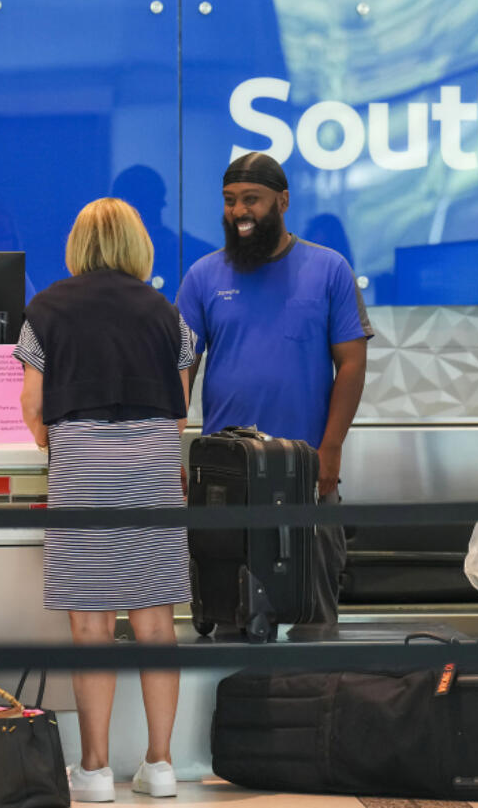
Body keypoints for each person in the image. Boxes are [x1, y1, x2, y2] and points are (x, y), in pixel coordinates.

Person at [16, 198, 194, 802]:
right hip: (149, 467)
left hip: (82, 467)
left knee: (91, 625)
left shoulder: (44, 309)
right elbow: (180, 409)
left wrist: (64, 448)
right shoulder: (168, 315)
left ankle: (94, 771)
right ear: (136, 245)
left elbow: (33, 406)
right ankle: (162, 764)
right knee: (156, 624)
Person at [175, 151, 373, 622]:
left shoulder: (329, 270)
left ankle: (319, 692)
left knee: (312, 614)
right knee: (227, 614)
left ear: (282, 201)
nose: (239, 212)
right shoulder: (203, 276)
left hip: (305, 471)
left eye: (252, 200)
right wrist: (170, 447)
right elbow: (180, 367)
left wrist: (331, 449)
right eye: (229, 201)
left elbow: (351, 363)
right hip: (226, 474)